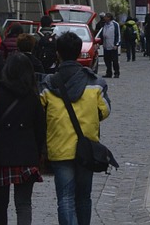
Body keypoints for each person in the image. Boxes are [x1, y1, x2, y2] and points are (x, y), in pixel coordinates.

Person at [40, 30, 110, 225]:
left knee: (65, 198)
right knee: (84, 197)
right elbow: (105, 111)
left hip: (59, 146)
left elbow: (40, 113)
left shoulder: (48, 84)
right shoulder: (95, 83)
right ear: (79, 52)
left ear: (58, 54)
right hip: (86, 147)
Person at [0, 51, 46, 225]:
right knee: (23, 204)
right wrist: (39, 152)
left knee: (0, 203)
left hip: (1, 152)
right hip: (26, 153)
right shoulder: (33, 96)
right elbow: (41, 128)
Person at [95, 13, 121, 79]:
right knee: (107, 60)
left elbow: (118, 35)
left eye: (106, 17)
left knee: (115, 61)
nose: (104, 18)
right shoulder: (104, 25)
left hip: (113, 46)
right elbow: (101, 35)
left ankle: (116, 73)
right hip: (106, 45)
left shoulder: (115, 24)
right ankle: (109, 72)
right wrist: (99, 43)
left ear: (109, 18)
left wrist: (116, 44)